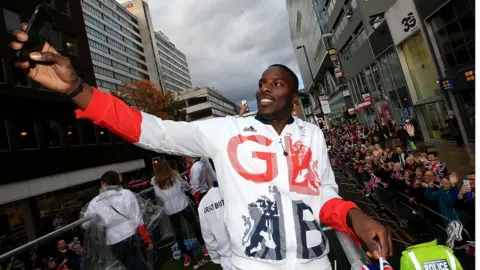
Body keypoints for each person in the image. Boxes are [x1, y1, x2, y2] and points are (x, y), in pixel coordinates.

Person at [10, 26, 392, 269]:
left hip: (315, 263)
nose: (264, 87)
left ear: (294, 95)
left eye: (276, 83)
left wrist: (357, 218)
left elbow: (322, 195)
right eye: (261, 81)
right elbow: (152, 131)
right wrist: (78, 89)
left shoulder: (313, 135)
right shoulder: (224, 131)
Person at [81, 171, 153, 270]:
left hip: (113, 241)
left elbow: (85, 224)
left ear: (103, 183)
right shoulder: (126, 194)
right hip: (130, 235)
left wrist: (98, 219)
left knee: (129, 266)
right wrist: (146, 238)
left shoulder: (94, 202)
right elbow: (137, 218)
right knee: (139, 265)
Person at [152, 160, 207, 267]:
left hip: (170, 209)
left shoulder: (155, 181)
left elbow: (158, 195)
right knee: (195, 224)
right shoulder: (174, 175)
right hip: (182, 204)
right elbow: (185, 185)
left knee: (178, 232)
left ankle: (185, 256)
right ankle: (204, 247)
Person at [198, 181, 232, 270]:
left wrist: (217, 258)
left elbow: (209, 240)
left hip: (228, 261)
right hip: (253, 257)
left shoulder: (204, 203)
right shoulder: (236, 190)